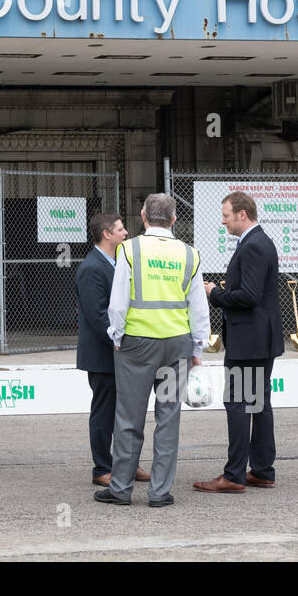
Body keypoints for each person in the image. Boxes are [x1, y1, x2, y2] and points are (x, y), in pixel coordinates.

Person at [97, 194, 209, 507]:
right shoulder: (190, 254)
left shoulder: (129, 249)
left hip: (136, 342)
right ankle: (160, 492)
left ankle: (120, 488)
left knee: (129, 417)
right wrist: (198, 348)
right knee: (168, 417)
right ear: (173, 220)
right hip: (177, 343)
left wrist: (116, 335)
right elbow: (198, 307)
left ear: (144, 217)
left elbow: (118, 302)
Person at [195, 190, 284, 494]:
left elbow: (248, 296)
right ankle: (261, 470)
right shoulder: (257, 242)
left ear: (242, 214)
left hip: (250, 340)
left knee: (238, 403)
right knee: (258, 404)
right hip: (258, 338)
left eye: (226, 216)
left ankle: (234, 475)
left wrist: (213, 293)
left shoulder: (254, 246)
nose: (223, 222)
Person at [76, 212, 150, 488]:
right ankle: (102, 469)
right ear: (107, 234)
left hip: (120, 353)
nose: (125, 233)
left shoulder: (117, 262)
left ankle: (128, 464)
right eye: (120, 229)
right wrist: (123, 342)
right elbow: (98, 317)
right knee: (104, 414)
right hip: (104, 356)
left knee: (126, 414)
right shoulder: (92, 268)